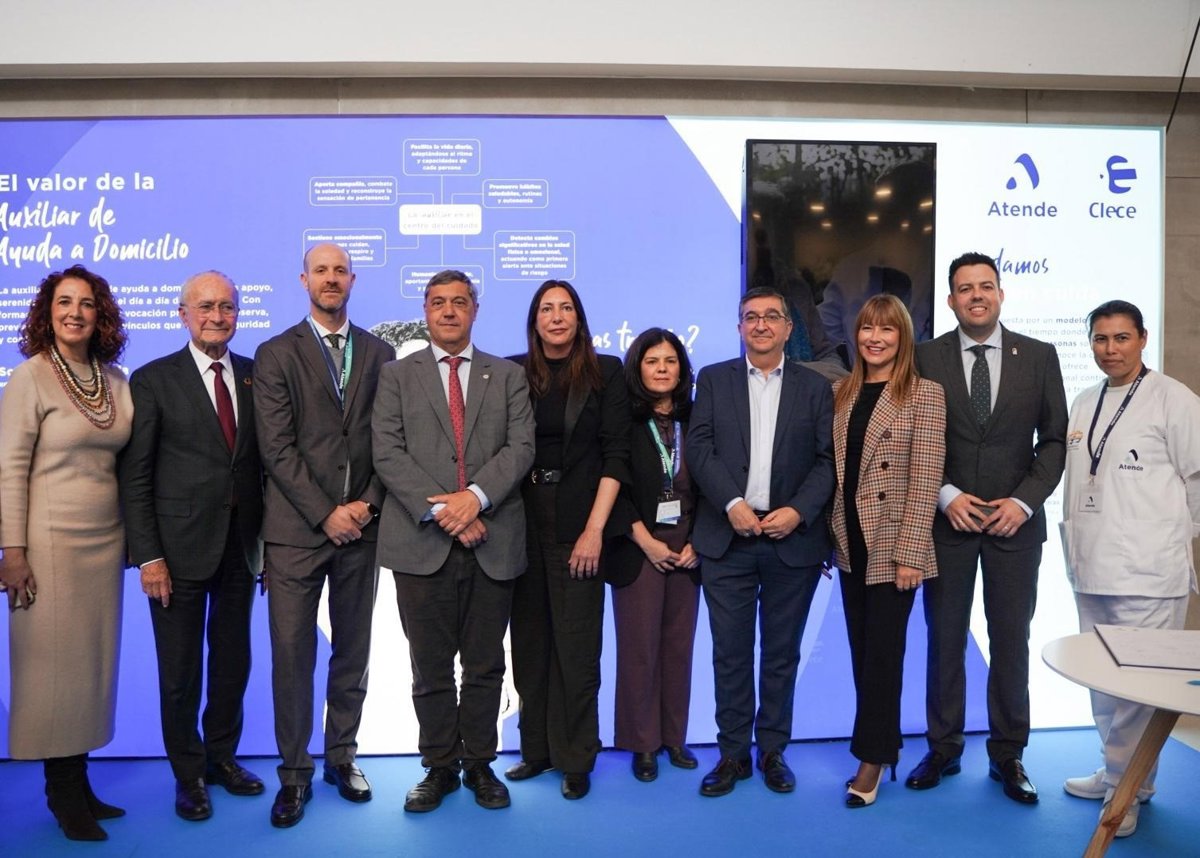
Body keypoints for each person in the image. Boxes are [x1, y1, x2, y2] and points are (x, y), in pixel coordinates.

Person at [372, 270, 535, 813]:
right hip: (422, 543)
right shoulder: (396, 375)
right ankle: (439, 765)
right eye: (438, 302)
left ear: (474, 311)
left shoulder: (507, 375)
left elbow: (521, 447)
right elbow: (387, 452)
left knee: (486, 665)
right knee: (430, 666)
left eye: (459, 302)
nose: (448, 311)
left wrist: (476, 498)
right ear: (425, 310)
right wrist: (450, 511)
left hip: (494, 539)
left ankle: (481, 764)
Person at [908, 251, 1067, 804]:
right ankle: (943, 748)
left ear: (1000, 294)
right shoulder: (924, 357)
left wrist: (1023, 503)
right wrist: (944, 494)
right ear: (951, 299)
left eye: (985, 286)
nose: (976, 295)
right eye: (965, 288)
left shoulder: (1039, 356)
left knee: (1010, 640)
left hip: (1014, 527)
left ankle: (1008, 754)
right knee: (944, 640)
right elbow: (912, 437)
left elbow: (1053, 441)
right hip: (947, 524)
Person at [253, 242, 394, 828]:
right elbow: (276, 447)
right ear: (303, 280)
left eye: (340, 271)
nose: (330, 279)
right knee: (292, 656)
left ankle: (341, 756)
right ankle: (294, 773)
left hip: (363, 526)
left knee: (353, 649)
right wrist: (324, 513)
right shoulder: (275, 353)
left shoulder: (381, 352)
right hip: (295, 532)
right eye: (321, 270)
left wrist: (367, 504)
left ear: (352, 281)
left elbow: (391, 440)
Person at [119, 270, 265, 822]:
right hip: (175, 553)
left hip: (241, 547)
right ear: (184, 314)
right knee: (179, 671)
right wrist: (148, 556)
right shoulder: (154, 379)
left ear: (237, 314)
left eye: (226, 307)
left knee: (233, 663)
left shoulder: (254, 375)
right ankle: (188, 774)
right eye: (205, 307)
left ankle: (221, 759)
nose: (216, 317)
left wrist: (268, 547)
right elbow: (136, 476)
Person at [686, 286, 835, 798]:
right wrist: (731, 503)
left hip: (791, 539)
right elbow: (699, 449)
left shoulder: (815, 388)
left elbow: (827, 461)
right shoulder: (713, 379)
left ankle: (772, 751)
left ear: (789, 328)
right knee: (729, 654)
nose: (762, 324)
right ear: (739, 327)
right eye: (751, 317)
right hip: (727, 539)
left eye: (772, 316)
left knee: (780, 653)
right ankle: (732, 754)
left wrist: (798, 511)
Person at [0, 265, 132, 841]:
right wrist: (12, 551)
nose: (75, 312)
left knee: (90, 670)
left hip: (105, 543)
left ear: (101, 315)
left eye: (86, 303)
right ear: (46, 313)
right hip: (48, 545)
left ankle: (79, 783)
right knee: (54, 672)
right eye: (63, 302)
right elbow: (8, 470)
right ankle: (61, 794)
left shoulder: (115, 380)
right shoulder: (28, 378)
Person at [1060, 300, 1200, 838]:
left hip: (1149, 570)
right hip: (1092, 564)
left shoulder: (1174, 399)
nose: (1110, 349)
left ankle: (1127, 789)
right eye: (1100, 339)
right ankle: (1118, 774)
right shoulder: (1084, 401)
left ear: (1142, 338)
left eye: (1121, 338)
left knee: (1140, 691)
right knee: (1104, 682)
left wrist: (1173, 537)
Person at [506, 279, 631, 801]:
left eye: (566, 308)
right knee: (530, 643)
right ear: (534, 320)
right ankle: (536, 750)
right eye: (546, 309)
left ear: (579, 318)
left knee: (578, 648)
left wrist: (595, 530)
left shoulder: (606, 371)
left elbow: (616, 455)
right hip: (520, 521)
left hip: (581, 518)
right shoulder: (511, 371)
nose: (556, 317)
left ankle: (577, 757)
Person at [829, 294, 945, 807]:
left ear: (903, 337)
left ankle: (872, 760)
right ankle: (884, 743)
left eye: (887, 329)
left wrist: (911, 552)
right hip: (849, 542)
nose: (875, 338)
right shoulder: (841, 391)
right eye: (867, 329)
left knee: (882, 657)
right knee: (862, 654)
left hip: (894, 545)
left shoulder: (925, 394)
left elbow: (926, 478)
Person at [608, 328, 702, 783]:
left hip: (689, 546)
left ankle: (674, 738)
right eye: (652, 361)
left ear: (681, 368)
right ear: (638, 368)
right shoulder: (623, 420)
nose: (662, 369)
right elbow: (612, 485)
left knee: (679, 646)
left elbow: (714, 481)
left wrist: (699, 541)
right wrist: (644, 540)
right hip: (639, 544)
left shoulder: (697, 418)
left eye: (670, 360)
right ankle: (642, 743)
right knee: (639, 648)